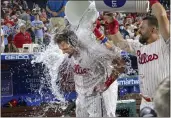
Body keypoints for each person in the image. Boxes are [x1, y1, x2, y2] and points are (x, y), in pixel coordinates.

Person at [97, 0, 169, 111]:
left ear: (153, 29)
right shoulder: (139, 46)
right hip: (146, 102)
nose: (139, 31)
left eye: (142, 28)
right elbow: (120, 43)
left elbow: (162, 15)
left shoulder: (166, 43)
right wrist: (112, 22)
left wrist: (152, 1)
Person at [54, 29, 125, 117]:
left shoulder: (92, 52)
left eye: (65, 49)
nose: (63, 52)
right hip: (81, 96)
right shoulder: (71, 53)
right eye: (61, 49)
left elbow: (121, 65)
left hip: (98, 96)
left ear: (73, 43)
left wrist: (107, 84)